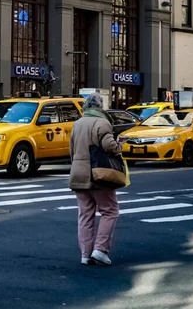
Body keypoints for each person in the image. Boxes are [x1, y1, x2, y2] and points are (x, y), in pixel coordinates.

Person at [69, 92, 122, 266]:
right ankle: (100, 249)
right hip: (98, 173)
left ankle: (85, 254)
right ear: (100, 106)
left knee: (85, 215)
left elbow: (72, 149)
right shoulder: (102, 122)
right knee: (110, 210)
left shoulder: (77, 123)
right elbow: (109, 146)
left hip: (78, 173)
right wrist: (119, 146)